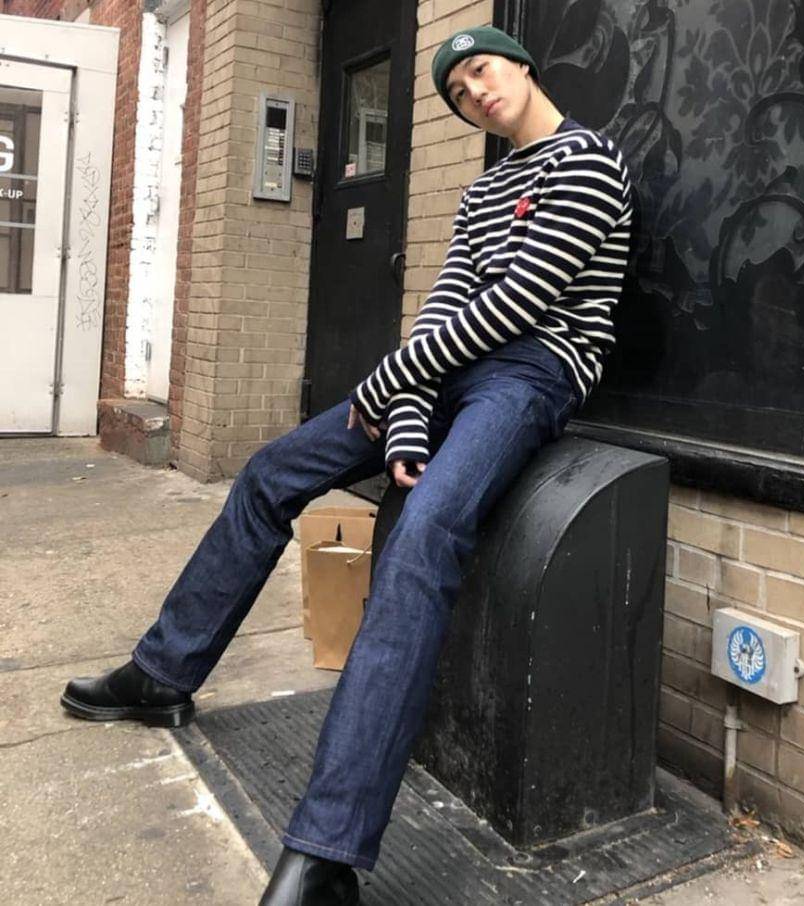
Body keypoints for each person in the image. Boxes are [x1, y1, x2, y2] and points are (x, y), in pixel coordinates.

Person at [59, 24, 635, 906]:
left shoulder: (588, 161)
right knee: (269, 474)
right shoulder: (483, 189)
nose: (476, 93)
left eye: (482, 70)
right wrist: (404, 418)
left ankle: (324, 855)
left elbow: (522, 302)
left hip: (534, 371)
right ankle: (162, 673)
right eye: (458, 92)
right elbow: (447, 306)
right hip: (447, 369)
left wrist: (388, 382)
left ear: (520, 64)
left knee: (420, 541)